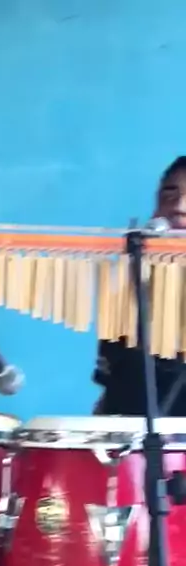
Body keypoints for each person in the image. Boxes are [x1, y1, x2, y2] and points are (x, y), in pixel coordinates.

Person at [93, 156, 186, 416]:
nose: (179, 206)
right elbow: (111, 393)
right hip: (135, 434)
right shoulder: (127, 292)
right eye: (169, 196)